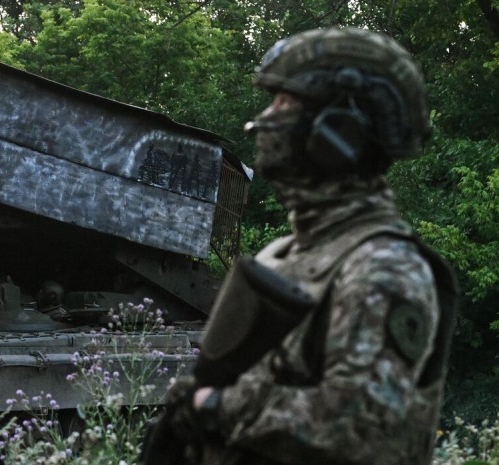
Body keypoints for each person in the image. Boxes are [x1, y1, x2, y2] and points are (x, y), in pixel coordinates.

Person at [156, 27, 457, 465]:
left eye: (283, 102)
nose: (265, 117)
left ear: (338, 130)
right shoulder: (285, 253)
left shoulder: (383, 268)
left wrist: (214, 406)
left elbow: (355, 427)